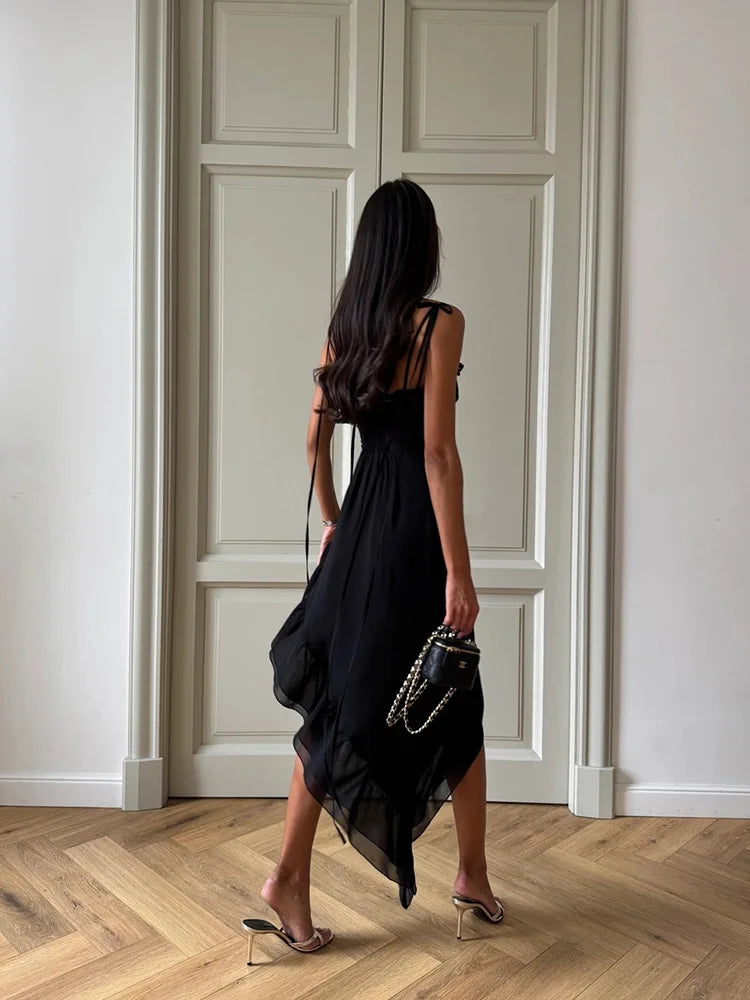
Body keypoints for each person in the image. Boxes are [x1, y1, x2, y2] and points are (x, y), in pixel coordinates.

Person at [242, 179, 503, 964]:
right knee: (446, 696)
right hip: (413, 540)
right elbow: (437, 454)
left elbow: (313, 443)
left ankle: (454, 873)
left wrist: (333, 524)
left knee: (366, 703)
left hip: (360, 530)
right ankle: (453, 874)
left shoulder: (346, 331)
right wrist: (459, 572)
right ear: (422, 246)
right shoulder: (438, 324)